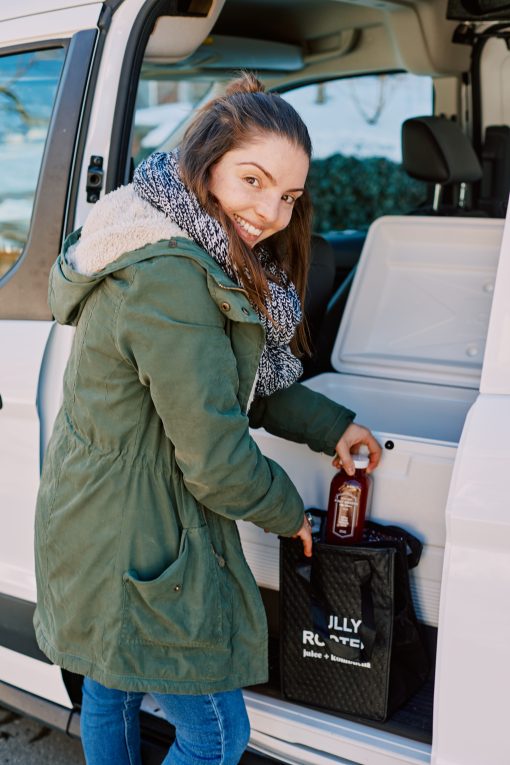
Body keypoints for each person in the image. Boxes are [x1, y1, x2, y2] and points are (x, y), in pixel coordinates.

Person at [33, 73, 381, 765]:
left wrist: (329, 426)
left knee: (110, 687)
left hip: (102, 518)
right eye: (253, 180)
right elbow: (216, 459)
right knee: (217, 735)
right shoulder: (171, 276)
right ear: (205, 163)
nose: (272, 212)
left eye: (289, 196)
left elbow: (234, 384)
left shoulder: (186, 244)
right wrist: (289, 512)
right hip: (137, 531)